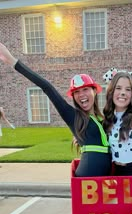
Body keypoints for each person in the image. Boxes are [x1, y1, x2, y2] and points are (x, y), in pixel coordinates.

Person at [0, 43, 111, 177]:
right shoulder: (73, 116)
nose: (81, 95)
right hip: (87, 179)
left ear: (94, 91)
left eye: (85, 89)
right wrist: (12, 61)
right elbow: (47, 87)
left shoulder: (104, 117)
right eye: (76, 92)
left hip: (105, 180)